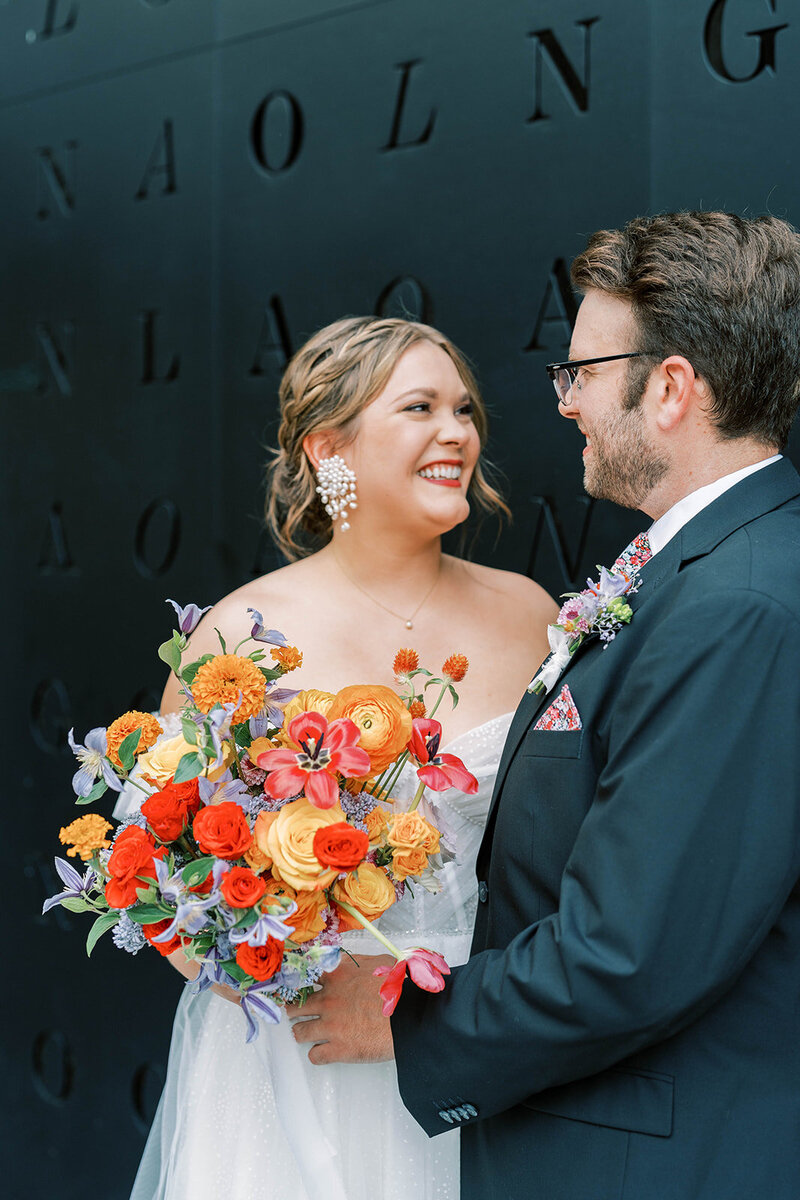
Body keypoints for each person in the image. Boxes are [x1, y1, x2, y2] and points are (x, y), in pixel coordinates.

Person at [297, 213, 800, 1199]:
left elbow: (626, 953)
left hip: (648, 1156)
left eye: (578, 371)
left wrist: (399, 1023)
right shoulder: (691, 568)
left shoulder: (734, 604)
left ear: (667, 389)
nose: (562, 403)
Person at [123, 315, 557, 1200]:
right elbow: (150, 872)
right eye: (421, 408)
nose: (457, 433)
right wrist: (272, 967)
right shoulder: (239, 637)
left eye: (465, 410)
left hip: (478, 1042)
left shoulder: (527, 615)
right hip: (300, 1067)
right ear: (330, 448)